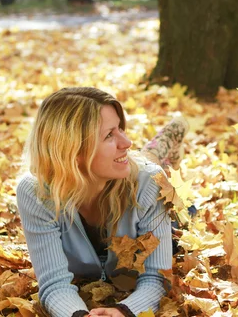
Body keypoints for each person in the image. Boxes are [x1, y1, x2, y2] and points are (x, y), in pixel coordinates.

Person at [17, 87, 189, 317]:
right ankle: (156, 149)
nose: (126, 141)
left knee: (154, 175)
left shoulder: (150, 183)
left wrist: (125, 312)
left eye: (121, 129)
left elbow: (157, 277)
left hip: (149, 193)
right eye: (109, 135)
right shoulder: (35, 193)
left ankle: (161, 149)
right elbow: (54, 284)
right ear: (72, 150)